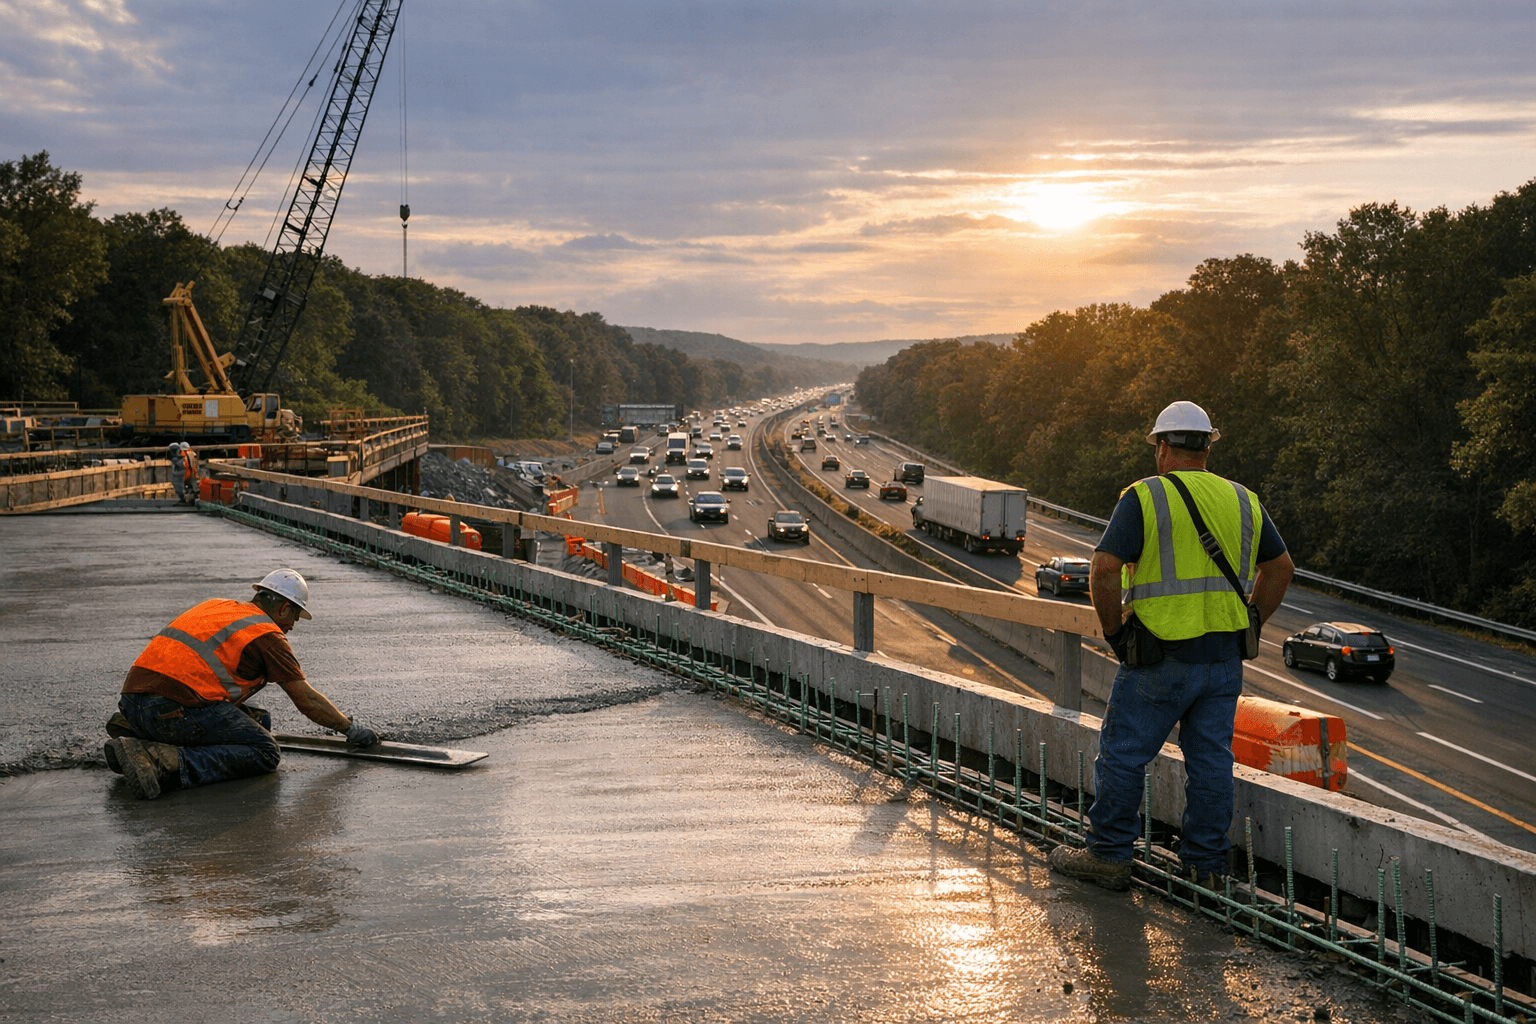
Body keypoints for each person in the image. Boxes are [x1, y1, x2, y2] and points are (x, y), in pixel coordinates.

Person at [1049, 401, 1294, 891]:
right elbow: (1281, 568)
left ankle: (1110, 855)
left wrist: (1117, 631)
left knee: (1123, 754)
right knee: (1210, 762)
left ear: (1162, 448)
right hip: (1223, 659)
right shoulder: (1243, 499)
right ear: (1206, 446)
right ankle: (1205, 866)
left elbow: (1102, 568)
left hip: (1159, 656)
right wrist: (1249, 619)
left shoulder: (1144, 497)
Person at [105, 568, 381, 800]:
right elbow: (306, 699)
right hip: (171, 708)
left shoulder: (217, 606)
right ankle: (161, 758)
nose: (293, 626)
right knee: (265, 751)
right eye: (295, 616)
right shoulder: (266, 634)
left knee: (262, 722)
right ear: (284, 607)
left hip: (134, 700)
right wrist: (351, 728)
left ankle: (136, 732)